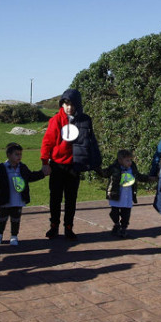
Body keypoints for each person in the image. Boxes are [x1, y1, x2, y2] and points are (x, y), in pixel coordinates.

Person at [40, 89, 102, 240]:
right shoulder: (55, 120)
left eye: (72, 104)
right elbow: (47, 142)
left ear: (77, 105)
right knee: (55, 198)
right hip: (57, 165)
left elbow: (91, 142)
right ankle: (53, 226)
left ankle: (69, 227)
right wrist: (45, 162)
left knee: (71, 199)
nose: (68, 107)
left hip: (75, 166)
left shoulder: (85, 120)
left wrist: (95, 162)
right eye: (66, 104)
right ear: (62, 104)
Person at [0, 142, 46, 245]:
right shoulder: (1, 167)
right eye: (16, 154)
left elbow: (30, 176)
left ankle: (14, 236)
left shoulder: (22, 167)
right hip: (5, 198)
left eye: (20, 154)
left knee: (16, 218)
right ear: (8, 155)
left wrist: (42, 174)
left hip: (18, 199)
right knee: (2, 217)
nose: (19, 156)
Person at [102, 149, 152, 238]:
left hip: (127, 195)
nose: (130, 162)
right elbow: (104, 173)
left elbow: (139, 176)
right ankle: (116, 224)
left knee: (126, 214)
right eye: (127, 160)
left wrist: (150, 178)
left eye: (130, 160)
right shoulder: (114, 168)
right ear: (120, 160)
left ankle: (123, 228)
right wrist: (94, 167)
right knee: (114, 212)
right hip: (116, 194)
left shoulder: (132, 168)